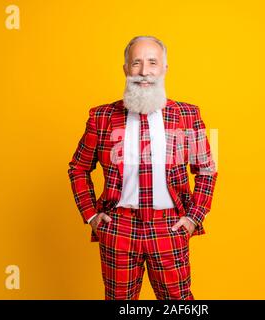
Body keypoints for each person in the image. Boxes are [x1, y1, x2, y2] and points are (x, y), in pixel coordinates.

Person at [68, 35, 218, 300]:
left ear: (164, 68)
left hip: (169, 227)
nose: (144, 71)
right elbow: (78, 168)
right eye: (136, 63)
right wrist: (91, 215)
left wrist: (194, 217)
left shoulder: (187, 115)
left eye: (152, 62)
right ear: (126, 68)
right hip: (119, 227)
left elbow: (206, 169)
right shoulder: (101, 117)